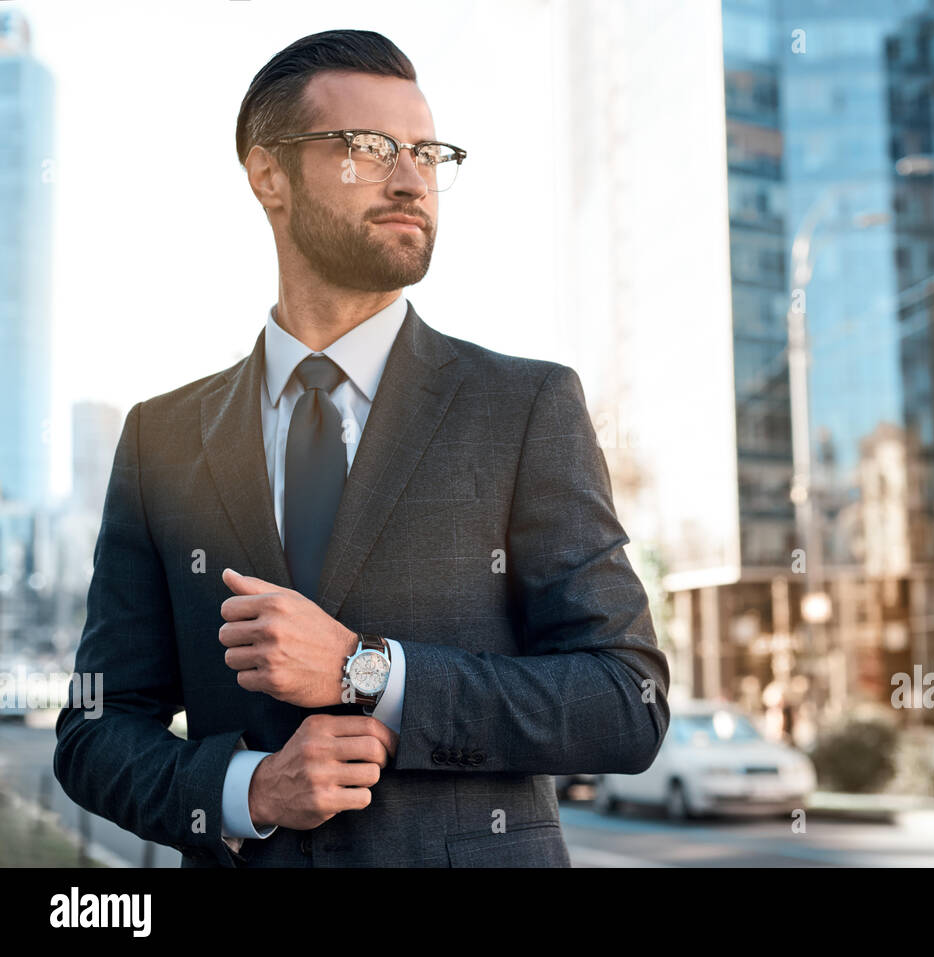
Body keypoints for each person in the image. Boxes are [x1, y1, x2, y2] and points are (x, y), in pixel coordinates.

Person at [53, 28, 670, 868]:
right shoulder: (159, 438)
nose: (411, 178)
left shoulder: (524, 405)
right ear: (269, 175)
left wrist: (367, 672)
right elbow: (95, 728)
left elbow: (625, 701)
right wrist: (247, 788)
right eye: (369, 148)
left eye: (426, 151)